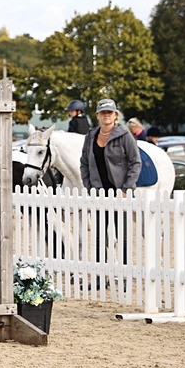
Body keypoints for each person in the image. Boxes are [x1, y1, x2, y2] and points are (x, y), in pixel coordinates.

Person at [79, 98, 140, 263]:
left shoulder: (125, 135)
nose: (106, 115)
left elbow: (136, 163)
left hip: (120, 193)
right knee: (99, 236)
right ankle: (100, 273)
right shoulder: (90, 136)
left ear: (115, 115)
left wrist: (127, 189)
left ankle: (124, 271)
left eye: (109, 112)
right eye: (103, 112)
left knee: (122, 235)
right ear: (97, 115)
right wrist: (89, 186)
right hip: (99, 193)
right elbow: (84, 163)